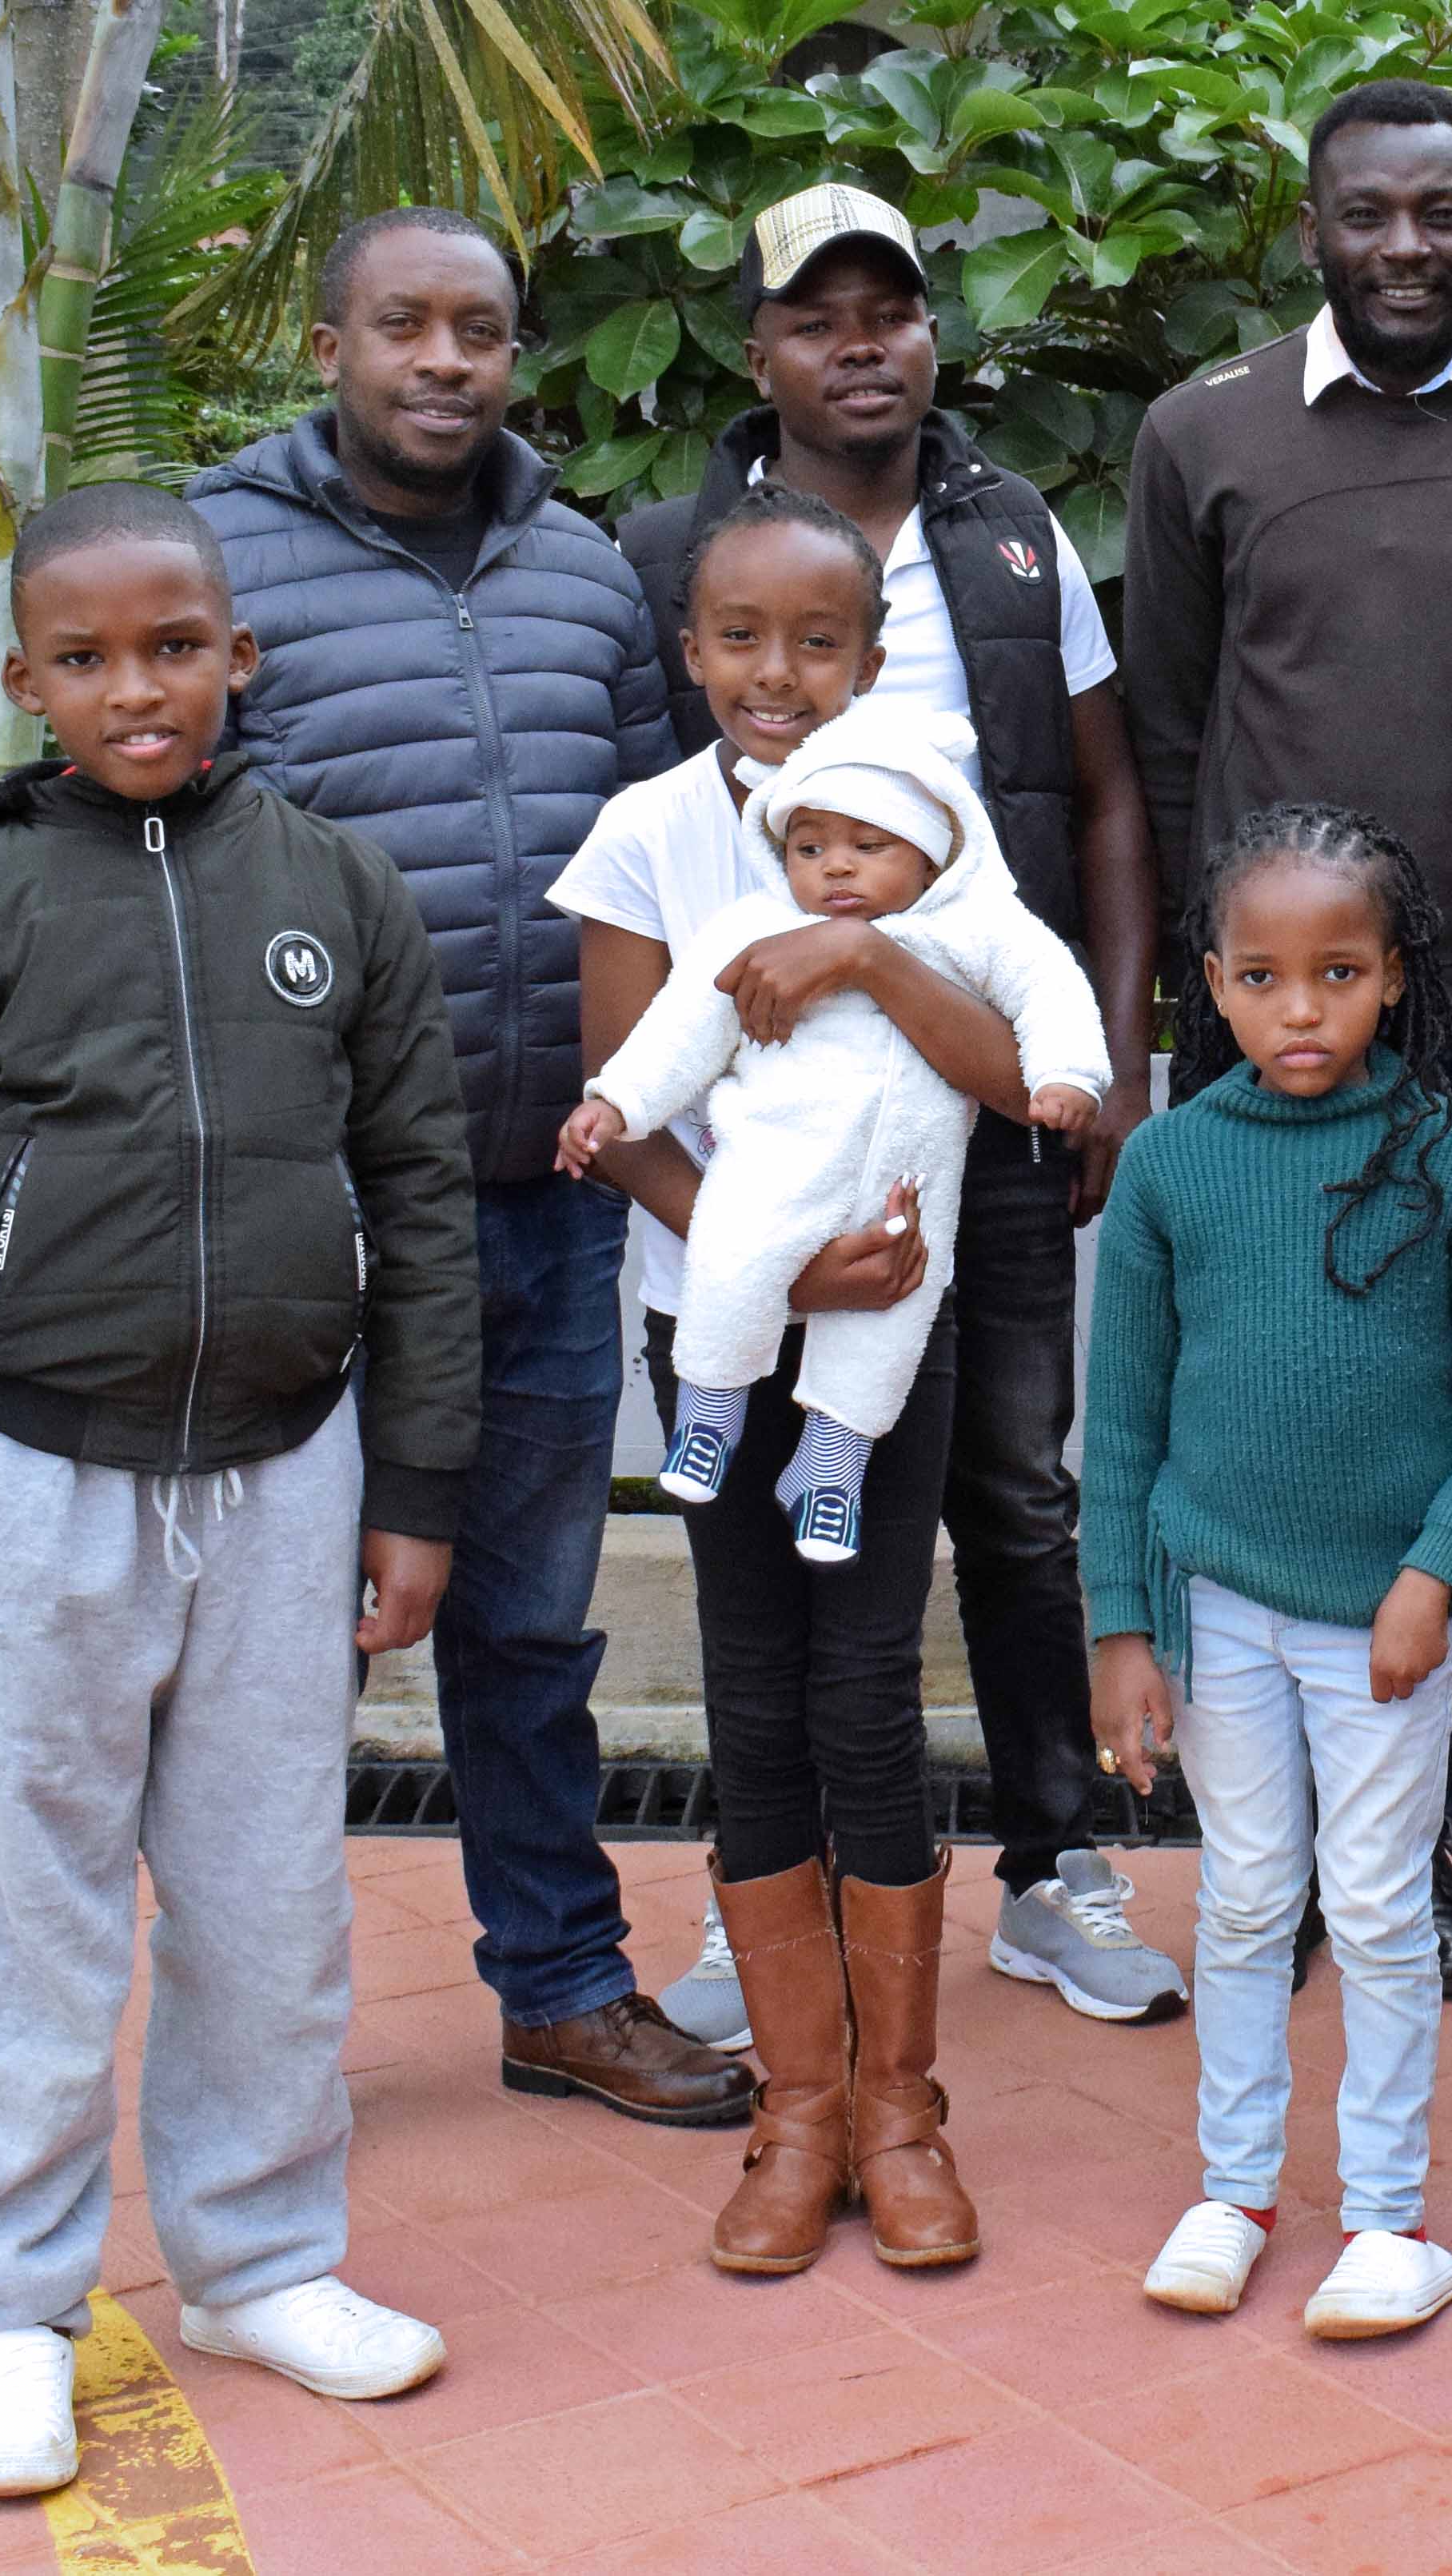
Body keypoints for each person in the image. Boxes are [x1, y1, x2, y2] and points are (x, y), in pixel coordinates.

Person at [0, 484, 480, 2496]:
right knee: (29, 1914)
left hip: (288, 1471)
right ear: (24, 680)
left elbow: (423, 1198)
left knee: (272, 1903)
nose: (137, 687)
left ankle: (259, 2257)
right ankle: (11, 2305)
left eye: (174, 646)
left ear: (238, 654)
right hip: (29, 1471)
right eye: (86, 658)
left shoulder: (340, 889)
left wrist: (419, 1477)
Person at [188, 209, 750, 2128]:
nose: (445, 361)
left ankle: (563, 1986)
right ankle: (256, 2044)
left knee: (526, 1620)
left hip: (540, 1191)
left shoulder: (588, 572)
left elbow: (656, 877)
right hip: (308, 1208)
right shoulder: (217, 558)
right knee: (278, 1640)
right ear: (331, 337)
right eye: (405, 326)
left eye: (480, 332)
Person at [618, 181, 1183, 2034]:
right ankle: (757, 1892)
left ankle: (1047, 1862)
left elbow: (1101, 801)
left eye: (892, 311)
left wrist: (1104, 1052)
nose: (860, 345)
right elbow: (657, 855)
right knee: (767, 1507)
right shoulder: (678, 554)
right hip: (768, 1124)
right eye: (815, 316)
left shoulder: (1012, 537)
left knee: (1018, 1487)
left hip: (981, 1089)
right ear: (756, 348)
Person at [1125, 82, 1452, 1999]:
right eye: (1371, 215)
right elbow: (1177, 735)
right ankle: (1261, 1856)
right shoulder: (1204, 437)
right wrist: (1195, 1001)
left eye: (1442, 212)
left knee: (1443, 1433)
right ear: (1313, 227)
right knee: (1258, 1421)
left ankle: (1408, 1858)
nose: (1408, 247)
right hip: (1268, 1028)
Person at [552, 488, 1047, 2267]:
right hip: (722, 1321)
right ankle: (797, 2108)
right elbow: (622, 1102)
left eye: (818, 642)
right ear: (688, 653)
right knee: (755, 1695)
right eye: (739, 639)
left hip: (885, 1332)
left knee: (867, 1693)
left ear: (871, 654)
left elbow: (1010, 1068)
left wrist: (860, 948)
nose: (778, 674)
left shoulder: (929, 832)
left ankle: (902, 2109)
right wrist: (764, 1250)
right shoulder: (646, 834)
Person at [1087, 804, 1452, 2339]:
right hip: (1217, 1601)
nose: (1303, 1011)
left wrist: (1436, 1572)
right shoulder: (1168, 1166)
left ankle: (1387, 2216)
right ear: (1210, 986)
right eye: (1265, 977)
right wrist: (1120, 1628)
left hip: (1384, 1620)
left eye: (1340, 973)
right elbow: (1126, 1422)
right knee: (1238, 1901)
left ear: (1395, 976)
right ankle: (1232, 2187)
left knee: (1372, 1908)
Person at [564, 700, 1108, 1565]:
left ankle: (830, 1469)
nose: (836, 869)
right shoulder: (757, 928)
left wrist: (1067, 1078)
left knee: (890, 1327)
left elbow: (1052, 991)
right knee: (730, 1262)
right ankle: (708, 1415)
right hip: (768, 1171)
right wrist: (616, 1102)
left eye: (870, 845)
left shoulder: (975, 929)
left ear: (932, 848)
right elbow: (679, 1032)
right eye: (810, 849)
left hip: (903, 1192)